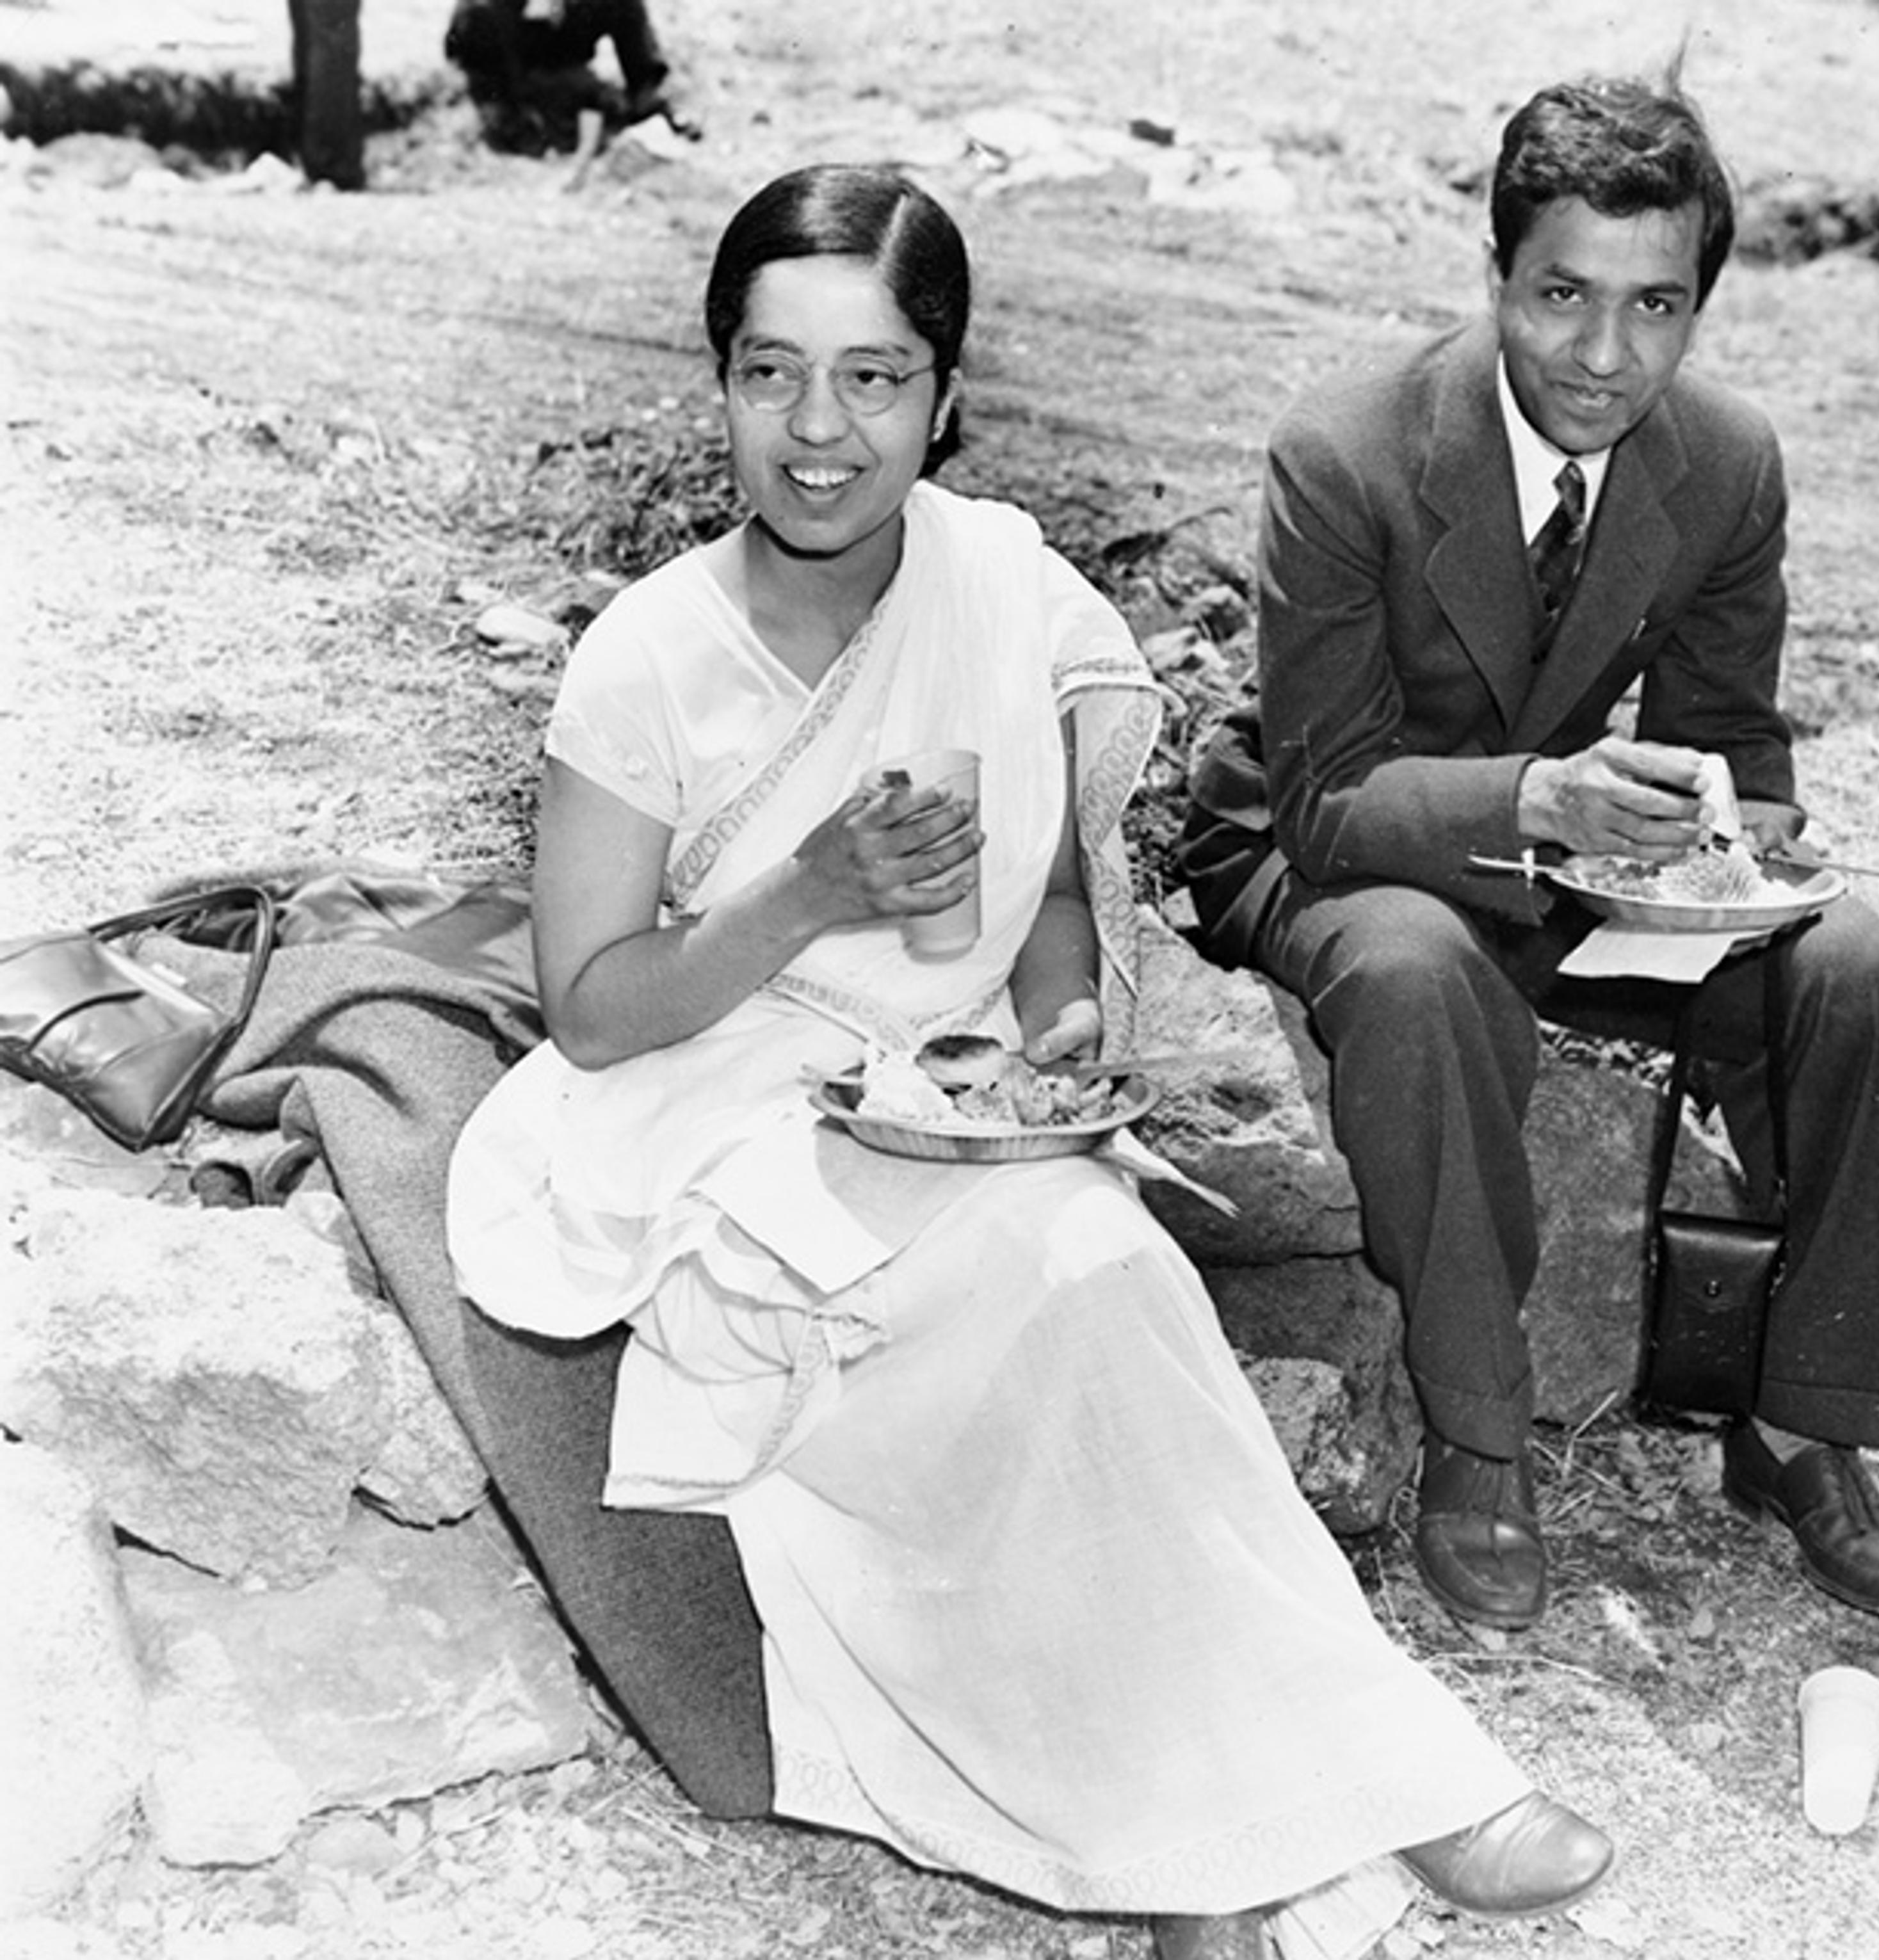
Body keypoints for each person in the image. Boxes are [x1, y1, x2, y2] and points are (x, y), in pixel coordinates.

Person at [445, 163, 1613, 1960]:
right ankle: (1341, 1811)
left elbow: (1056, 893)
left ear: (946, 394)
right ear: (722, 386)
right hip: (706, 1111)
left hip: (942, 1099)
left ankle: (1247, 1834)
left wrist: (1061, 1023)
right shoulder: (647, 657)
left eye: (876, 375)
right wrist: (807, 887)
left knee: (1105, 1271)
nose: (819, 431)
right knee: (1072, 1284)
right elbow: (593, 1006)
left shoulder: (999, 582)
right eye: (772, 374)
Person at [1177, 74, 1879, 1635]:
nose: (1606, 355)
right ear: (1496, 276)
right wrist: (1542, 802)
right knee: (1410, 968)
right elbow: (1326, 794)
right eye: (1562, 297)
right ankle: (1478, 1432)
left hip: (1575, 873)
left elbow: (1735, 740)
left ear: (1699, 306)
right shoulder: (1345, 452)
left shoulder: (1723, 462)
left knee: (1850, 962)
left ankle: (1801, 1424)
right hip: (1334, 849)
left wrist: (1731, 848)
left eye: (1655, 305)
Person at [444, 0, 698, 151]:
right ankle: (502, 107)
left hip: (557, 33)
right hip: (504, 34)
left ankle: (646, 95)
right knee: (482, 14)